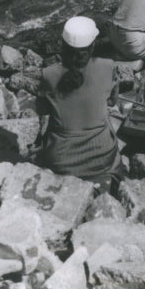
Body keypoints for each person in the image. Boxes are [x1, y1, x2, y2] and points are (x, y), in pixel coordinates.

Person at [36, 16, 123, 190]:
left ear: (62, 45)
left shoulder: (47, 74)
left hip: (60, 161)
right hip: (101, 157)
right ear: (92, 46)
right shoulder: (108, 66)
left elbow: (42, 110)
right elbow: (113, 102)